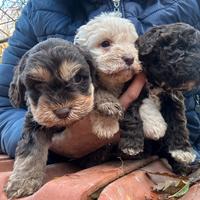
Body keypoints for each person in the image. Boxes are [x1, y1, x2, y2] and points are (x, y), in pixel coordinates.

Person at [0, 0, 200, 160]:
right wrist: (57, 142)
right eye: (105, 44)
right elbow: (4, 107)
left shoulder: (188, 4)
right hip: (71, 166)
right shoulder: (39, 9)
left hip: (181, 156)